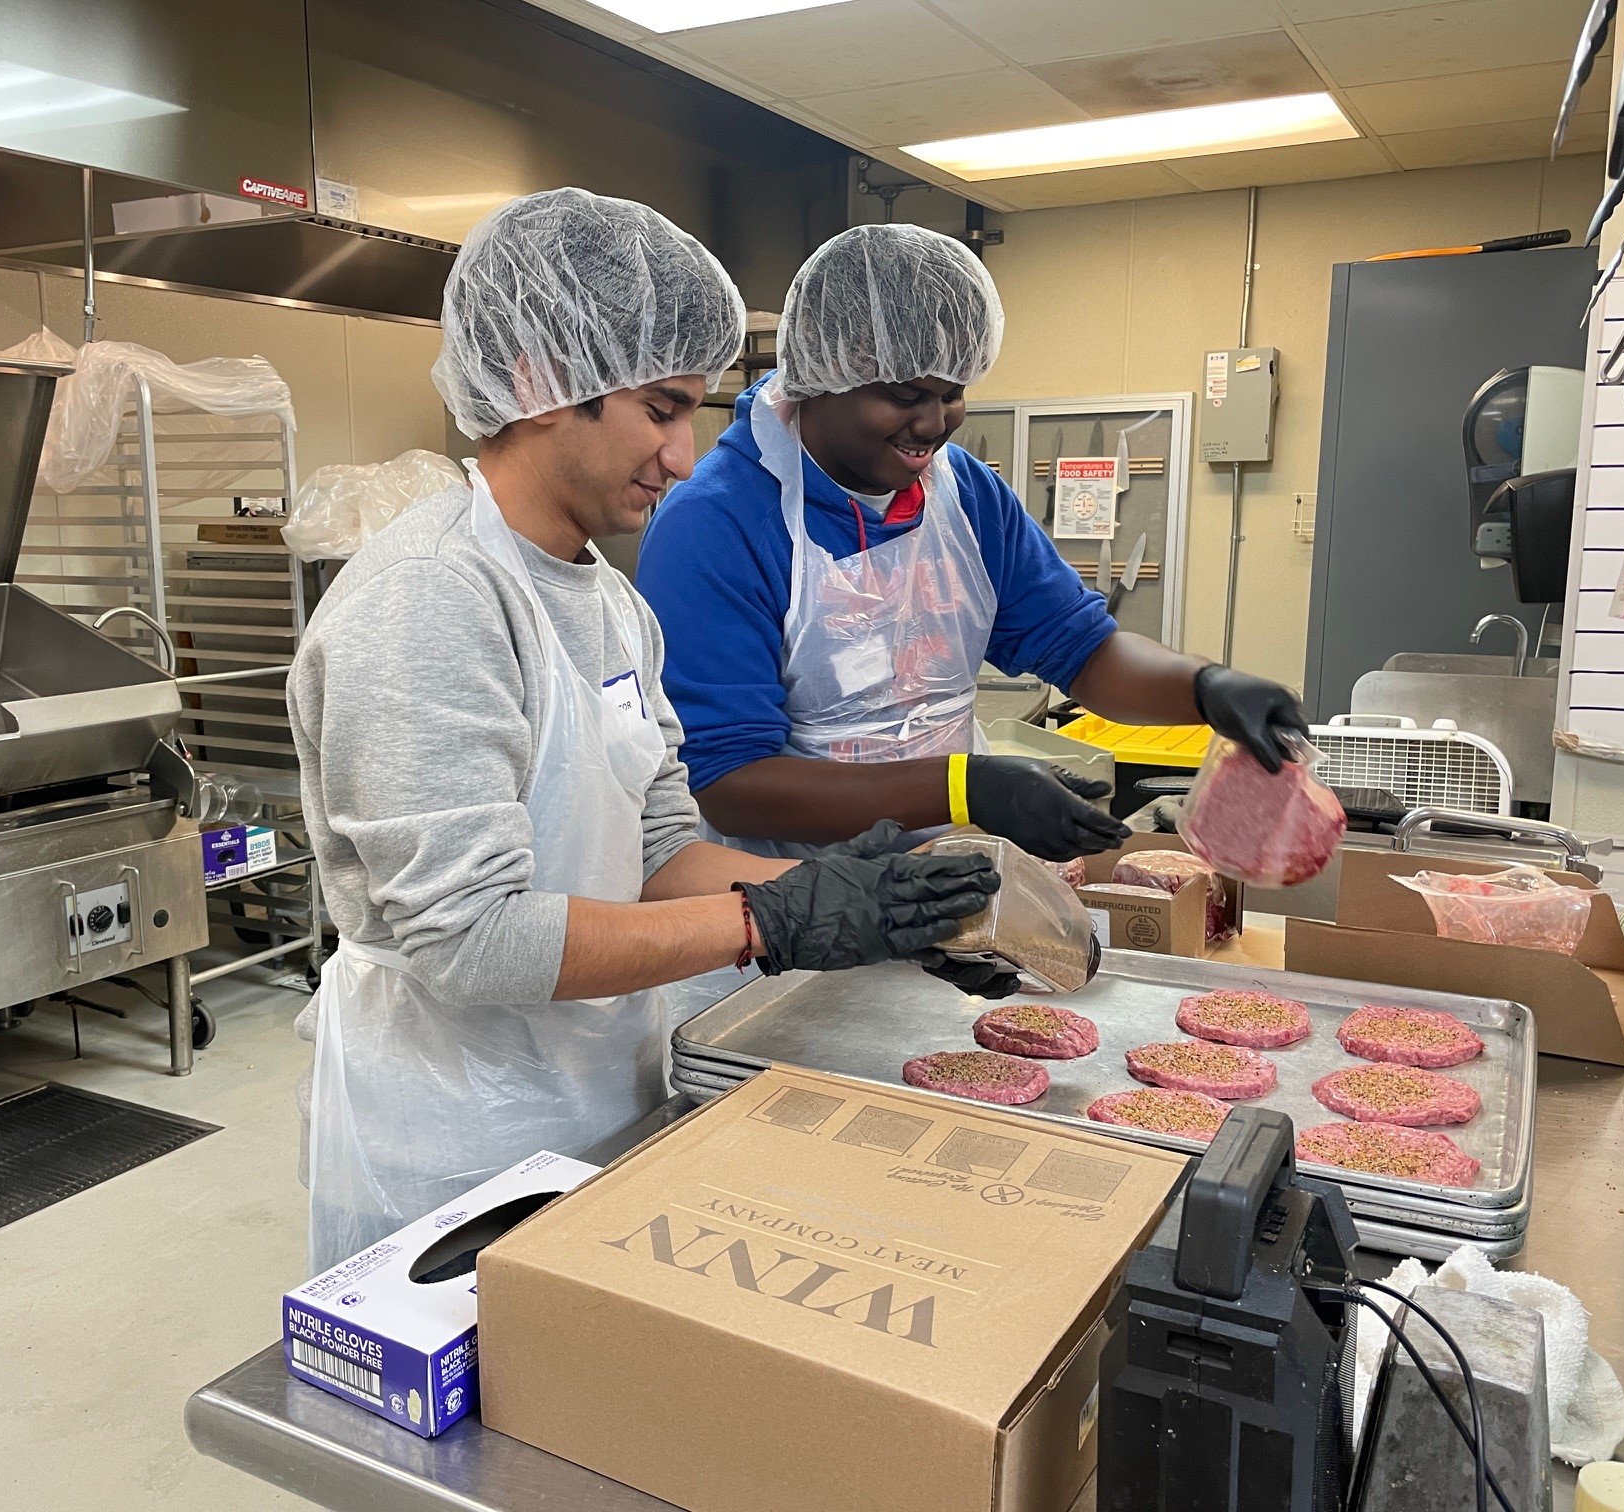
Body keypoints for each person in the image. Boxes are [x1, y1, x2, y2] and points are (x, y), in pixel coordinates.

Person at [288, 190, 1000, 1270]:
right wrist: (774, 920)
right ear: (539, 380)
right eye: (661, 408)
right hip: (451, 1139)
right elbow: (473, 938)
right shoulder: (431, 598)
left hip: (603, 1084)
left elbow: (661, 845)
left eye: (694, 416)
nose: (679, 455)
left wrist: (873, 910)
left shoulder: (608, 602)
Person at [635, 222, 1310, 889]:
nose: (933, 424)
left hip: (946, 894)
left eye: (952, 392)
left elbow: (1080, 648)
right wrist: (963, 788)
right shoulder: (717, 521)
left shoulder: (963, 496)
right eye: (904, 396)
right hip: (785, 920)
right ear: (821, 376)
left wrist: (1204, 688)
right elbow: (727, 781)